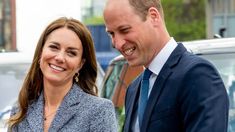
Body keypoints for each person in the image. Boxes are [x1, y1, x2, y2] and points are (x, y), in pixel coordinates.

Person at [103, 0, 229, 132]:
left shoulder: (198, 75)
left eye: (124, 30)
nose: (116, 44)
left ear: (153, 17)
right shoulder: (134, 89)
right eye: (111, 34)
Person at [8, 17, 117, 132]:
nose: (60, 58)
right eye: (54, 47)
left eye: (71, 53)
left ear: (80, 64)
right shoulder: (20, 110)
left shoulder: (99, 110)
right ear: (41, 52)